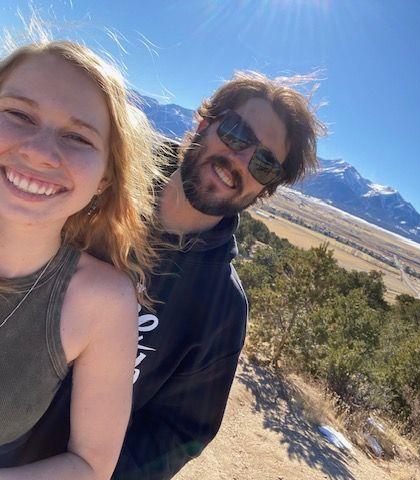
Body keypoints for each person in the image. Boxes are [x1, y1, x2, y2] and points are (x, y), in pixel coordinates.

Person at [15, 71, 325, 479]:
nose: (240, 161)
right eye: (236, 132)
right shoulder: (98, 186)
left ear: (263, 191)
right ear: (203, 122)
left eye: (265, 164)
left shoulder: (221, 310)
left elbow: (176, 433)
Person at [0, 39, 161, 480]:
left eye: (77, 137)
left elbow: (90, 465)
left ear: (105, 177)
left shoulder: (103, 303)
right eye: (19, 115)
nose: (39, 151)